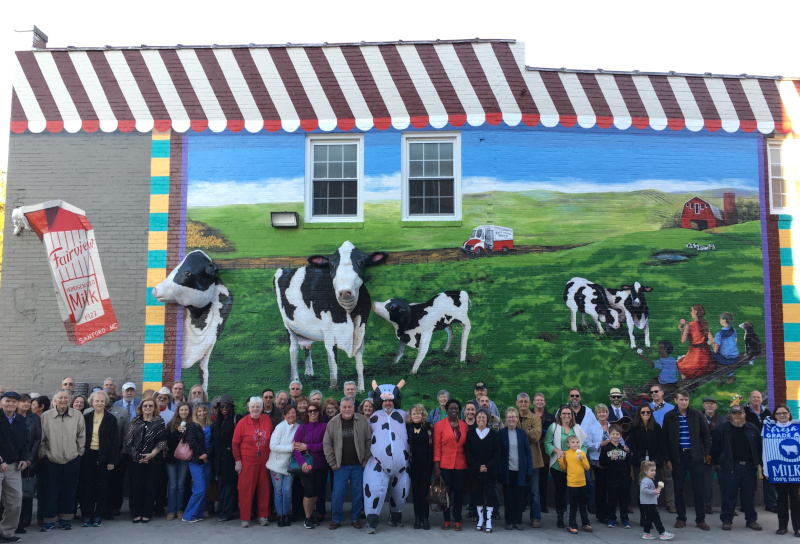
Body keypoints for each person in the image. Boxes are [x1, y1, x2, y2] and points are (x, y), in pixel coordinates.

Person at [662, 388, 711, 530]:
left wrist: (705, 453)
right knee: (678, 489)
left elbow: (706, 435)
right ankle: (681, 518)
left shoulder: (696, 415)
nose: (684, 402)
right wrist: (667, 459)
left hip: (695, 456)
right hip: (678, 457)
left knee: (698, 489)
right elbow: (664, 439)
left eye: (686, 400)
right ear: (676, 401)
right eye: (681, 400)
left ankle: (700, 519)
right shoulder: (669, 416)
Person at [39, 389, 85, 531]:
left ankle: (65, 520)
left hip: (72, 459)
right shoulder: (46, 416)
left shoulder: (77, 415)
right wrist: (44, 454)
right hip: (52, 459)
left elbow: (81, 435)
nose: (63, 400)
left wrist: (79, 453)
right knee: (51, 491)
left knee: (69, 490)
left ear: (70, 400)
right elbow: (41, 438)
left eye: (66, 398)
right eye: (60, 398)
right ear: (55, 400)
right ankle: (49, 520)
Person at [711, 404, 762, 531]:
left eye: (740, 414)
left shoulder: (753, 429)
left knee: (749, 496)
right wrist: (719, 462)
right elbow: (715, 448)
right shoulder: (722, 429)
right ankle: (727, 520)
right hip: (730, 468)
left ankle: (751, 520)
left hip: (749, 468)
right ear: (730, 416)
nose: (737, 416)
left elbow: (759, 448)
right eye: (735, 414)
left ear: (744, 415)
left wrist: (758, 463)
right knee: (728, 495)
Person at [323, 397, 371, 530]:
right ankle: (336, 519)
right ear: (340, 408)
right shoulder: (333, 423)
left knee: (358, 493)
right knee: (338, 493)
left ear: (354, 408)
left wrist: (366, 458)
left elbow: (368, 440)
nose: (347, 409)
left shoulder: (361, 420)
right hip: (340, 466)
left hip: (358, 465)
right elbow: (327, 444)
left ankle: (355, 518)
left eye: (349, 407)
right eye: (344, 407)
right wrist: (332, 462)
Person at [79, 390, 118, 528]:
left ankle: (98, 516)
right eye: (97, 401)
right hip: (88, 457)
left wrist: (112, 461)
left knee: (102, 488)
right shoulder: (86, 417)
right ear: (92, 402)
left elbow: (115, 442)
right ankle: (87, 515)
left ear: (106, 402)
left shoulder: (111, 419)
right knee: (87, 488)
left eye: (102, 401)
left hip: (104, 458)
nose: (99, 403)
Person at [544, 405, 587, 529]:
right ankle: (560, 517)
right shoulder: (554, 427)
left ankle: (572, 518)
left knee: (574, 494)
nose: (567, 415)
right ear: (560, 415)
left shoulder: (577, 428)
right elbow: (547, 444)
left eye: (569, 413)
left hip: (574, 467)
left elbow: (584, 445)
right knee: (560, 492)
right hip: (559, 466)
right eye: (564, 413)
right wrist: (557, 451)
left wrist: (581, 455)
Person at [125, 396, 167, 523]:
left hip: (153, 461)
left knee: (150, 487)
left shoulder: (159, 422)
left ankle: (147, 512)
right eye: (145, 406)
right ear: (141, 408)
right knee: (136, 487)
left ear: (154, 408)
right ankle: (136, 512)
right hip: (135, 461)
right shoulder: (135, 421)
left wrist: (151, 455)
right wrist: (137, 456)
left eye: (150, 406)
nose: (147, 408)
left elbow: (162, 442)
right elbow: (128, 440)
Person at [233, 397, 272, 528]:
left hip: (264, 462)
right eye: (253, 406)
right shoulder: (242, 423)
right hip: (247, 462)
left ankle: (263, 516)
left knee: (264, 489)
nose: (255, 409)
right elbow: (235, 443)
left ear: (261, 408)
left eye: (258, 406)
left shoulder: (267, 420)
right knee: (245, 491)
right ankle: (245, 518)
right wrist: (238, 461)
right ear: (248, 408)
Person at [0, 391, 31, 543]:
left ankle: (6, 532)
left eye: (14, 402)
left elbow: (25, 443)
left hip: (13, 466)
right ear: (1, 402)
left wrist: (24, 458)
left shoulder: (20, 419)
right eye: (7, 401)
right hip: (0, 464)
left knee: (15, 501)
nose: (10, 404)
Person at [764, 404, 800, 536]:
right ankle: (782, 526)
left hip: (795, 471)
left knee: (796, 498)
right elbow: (766, 451)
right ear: (775, 416)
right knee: (781, 499)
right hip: (778, 470)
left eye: (784, 413)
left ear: (789, 414)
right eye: (779, 413)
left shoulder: (797, 428)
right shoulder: (768, 429)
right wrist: (766, 470)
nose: (782, 415)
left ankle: (798, 527)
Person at [434, 398, 468, 531]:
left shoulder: (464, 426)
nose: (453, 411)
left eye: (456, 408)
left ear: (459, 410)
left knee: (459, 493)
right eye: (451, 408)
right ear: (446, 410)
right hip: (445, 465)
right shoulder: (439, 426)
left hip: (460, 465)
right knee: (446, 493)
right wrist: (437, 467)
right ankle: (446, 520)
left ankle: (457, 520)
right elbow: (437, 447)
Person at [628, 403, 668, 517]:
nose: (645, 414)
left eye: (648, 412)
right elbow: (633, 446)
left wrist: (654, 460)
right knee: (642, 488)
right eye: (643, 412)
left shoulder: (656, 427)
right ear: (639, 414)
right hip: (639, 463)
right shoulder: (634, 427)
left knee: (653, 488)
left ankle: (651, 514)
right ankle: (643, 515)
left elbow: (661, 445)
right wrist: (641, 461)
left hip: (654, 464)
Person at [293, 400, 326, 530]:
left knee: (316, 491)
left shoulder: (324, 426)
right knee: (308, 491)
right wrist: (303, 463)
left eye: (315, 410)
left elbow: (325, 445)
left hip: (319, 464)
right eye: (310, 411)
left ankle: (311, 515)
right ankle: (307, 518)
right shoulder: (302, 427)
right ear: (307, 413)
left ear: (318, 412)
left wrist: (308, 446)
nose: (313, 413)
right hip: (306, 466)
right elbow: (296, 448)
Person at [466, 409, 500, 533]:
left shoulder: (493, 434)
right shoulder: (470, 434)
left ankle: (489, 520)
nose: (481, 419)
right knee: (478, 494)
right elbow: (468, 453)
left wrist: (488, 466)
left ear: (487, 420)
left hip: (490, 471)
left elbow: (497, 453)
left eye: (483, 417)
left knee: (490, 494)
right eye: (479, 417)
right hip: (475, 471)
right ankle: (480, 519)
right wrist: (478, 466)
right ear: (475, 419)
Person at [567, 388, 600, 513]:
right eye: (572, 395)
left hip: (583, 450)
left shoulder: (588, 411)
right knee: (569, 477)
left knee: (588, 478)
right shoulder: (564, 410)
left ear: (580, 397)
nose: (574, 397)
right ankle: (570, 503)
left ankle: (589, 503)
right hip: (568, 450)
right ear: (569, 397)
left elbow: (594, 429)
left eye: (577, 395)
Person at [499, 406, 532, 531]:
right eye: (509, 417)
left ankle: (518, 521)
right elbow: (499, 454)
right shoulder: (501, 434)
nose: (511, 419)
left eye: (513, 417)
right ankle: (509, 521)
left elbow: (528, 453)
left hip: (521, 472)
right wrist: (499, 472)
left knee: (519, 498)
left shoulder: (522, 433)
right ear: (506, 419)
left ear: (517, 419)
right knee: (508, 497)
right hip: (507, 472)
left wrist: (529, 471)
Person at [744, 390, 777, 512]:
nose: (756, 399)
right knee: (749, 478)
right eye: (754, 397)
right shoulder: (744, 412)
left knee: (768, 476)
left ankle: (771, 503)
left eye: (758, 397)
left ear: (761, 399)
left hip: (766, 448)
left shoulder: (767, 412)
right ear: (750, 398)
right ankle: (747, 505)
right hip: (749, 449)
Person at [267, 405, 300, 527]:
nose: (292, 415)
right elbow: (273, 446)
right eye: (289, 413)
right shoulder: (280, 428)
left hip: (290, 465)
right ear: (285, 415)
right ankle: (280, 515)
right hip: (276, 465)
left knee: (287, 490)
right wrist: (290, 447)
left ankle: (286, 513)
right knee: (278, 491)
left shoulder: (299, 428)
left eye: (294, 413)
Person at [14, 393, 41, 535]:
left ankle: (25, 520)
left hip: (29, 461)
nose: (26, 404)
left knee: (27, 492)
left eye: (28, 402)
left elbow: (37, 438)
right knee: (12, 493)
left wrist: (30, 458)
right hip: (13, 460)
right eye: (23, 401)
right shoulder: (10, 417)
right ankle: (12, 521)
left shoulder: (34, 418)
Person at [516, 393, 543, 527]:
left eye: (525, 402)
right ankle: (516, 517)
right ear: (516, 403)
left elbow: (536, 435)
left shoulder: (535, 418)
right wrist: (527, 431)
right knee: (518, 489)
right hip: (515, 460)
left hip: (533, 460)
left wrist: (519, 432)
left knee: (534, 491)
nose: (523, 404)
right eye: (520, 402)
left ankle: (536, 518)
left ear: (529, 403)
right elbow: (507, 432)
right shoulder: (512, 417)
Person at [210, 395, 239, 523]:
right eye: (221, 406)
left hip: (231, 460)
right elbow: (214, 443)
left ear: (231, 407)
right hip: (219, 461)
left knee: (229, 487)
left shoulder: (236, 419)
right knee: (221, 486)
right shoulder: (217, 423)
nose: (224, 408)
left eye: (227, 406)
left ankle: (227, 512)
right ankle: (221, 510)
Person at [183, 403, 213, 523]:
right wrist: (203, 454)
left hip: (208, 460)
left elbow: (213, 442)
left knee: (204, 489)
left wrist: (208, 454)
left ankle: (199, 514)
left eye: (204, 411)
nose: (202, 413)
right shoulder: (192, 426)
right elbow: (192, 442)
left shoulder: (211, 425)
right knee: (199, 488)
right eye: (199, 411)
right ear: (196, 413)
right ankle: (188, 515)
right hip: (196, 460)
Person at [406, 403, 433, 530]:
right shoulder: (408, 427)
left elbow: (433, 447)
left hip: (426, 466)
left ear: (423, 415)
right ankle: (417, 518)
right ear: (411, 416)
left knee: (424, 492)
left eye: (418, 413)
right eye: (414, 413)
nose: (416, 415)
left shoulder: (429, 427)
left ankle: (425, 518)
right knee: (416, 493)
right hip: (413, 466)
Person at [649, 384, 675, 513]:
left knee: (669, 476)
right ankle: (653, 503)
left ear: (662, 392)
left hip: (668, 446)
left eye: (656, 391)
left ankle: (670, 503)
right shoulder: (647, 408)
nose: (654, 393)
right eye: (652, 392)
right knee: (652, 476)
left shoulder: (671, 408)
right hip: (652, 447)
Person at [599, 424, 631, 528]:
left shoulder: (624, 448)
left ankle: (625, 519)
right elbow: (602, 462)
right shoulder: (605, 448)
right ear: (609, 435)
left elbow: (628, 463)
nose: (615, 436)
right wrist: (610, 459)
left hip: (623, 478)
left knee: (624, 500)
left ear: (621, 435)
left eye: (617, 434)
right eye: (613, 434)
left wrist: (628, 453)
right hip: (611, 478)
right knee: (611, 500)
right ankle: (612, 518)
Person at [558, 435, 591, 534]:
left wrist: (582, 460)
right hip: (572, 484)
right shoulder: (567, 454)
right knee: (573, 506)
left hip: (582, 483)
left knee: (583, 505)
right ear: (568, 444)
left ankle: (585, 523)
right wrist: (560, 459)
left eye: (577, 442)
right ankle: (572, 524)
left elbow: (587, 467)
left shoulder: (582, 453)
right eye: (573, 442)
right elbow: (563, 468)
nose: (575, 444)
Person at [165, 402, 192, 521]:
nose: (184, 412)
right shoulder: (172, 424)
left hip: (184, 458)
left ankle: (180, 509)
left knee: (181, 485)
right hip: (171, 458)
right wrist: (177, 432)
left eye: (186, 410)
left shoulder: (192, 424)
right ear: (178, 411)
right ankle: (172, 510)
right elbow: (168, 442)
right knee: (173, 484)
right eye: (181, 410)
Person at [677, 304, 715, 379]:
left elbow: (683, 340)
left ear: (696, 312)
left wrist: (682, 331)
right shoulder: (704, 323)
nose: (690, 313)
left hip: (696, 357)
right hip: (706, 358)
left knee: (681, 365)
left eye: (692, 311)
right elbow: (710, 338)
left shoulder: (689, 325)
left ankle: (686, 386)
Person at [639, 460, 674, 540]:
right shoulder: (645, 481)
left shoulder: (649, 480)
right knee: (656, 518)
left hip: (649, 502)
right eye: (651, 470)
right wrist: (653, 492)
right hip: (648, 503)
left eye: (654, 470)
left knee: (649, 518)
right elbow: (644, 490)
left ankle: (646, 533)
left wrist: (657, 491)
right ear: (645, 471)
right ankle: (662, 533)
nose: (654, 472)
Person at [590, 403, 612, 524]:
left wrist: (624, 446)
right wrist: (600, 444)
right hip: (597, 460)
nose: (602, 414)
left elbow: (619, 439)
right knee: (600, 488)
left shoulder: (612, 426)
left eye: (604, 412)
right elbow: (587, 444)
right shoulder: (592, 427)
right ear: (596, 414)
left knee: (610, 487)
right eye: (599, 412)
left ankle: (610, 513)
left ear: (607, 413)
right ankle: (601, 514)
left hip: (610, 461)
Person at [532, 392, 554, 514]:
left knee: (543, 481)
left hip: (545, 454)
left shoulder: (550, 418)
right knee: (529, 479)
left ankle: (543, 505)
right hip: (532, 453)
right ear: (534, 402)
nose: (540, 402)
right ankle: (527, 503)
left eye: (542, 400)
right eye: (537, 400)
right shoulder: (528, 415)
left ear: (544, 402)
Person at [702, 397, 721, 514]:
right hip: (706, 454)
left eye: (712, 404)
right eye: (707, 403)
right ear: (704, 405)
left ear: (716, 406)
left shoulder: (722, 419)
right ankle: (706, 505)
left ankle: (728, 506)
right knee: (707, 482)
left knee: (725, 482)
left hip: (720, 454)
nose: (710, 406)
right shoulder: (698, 418)